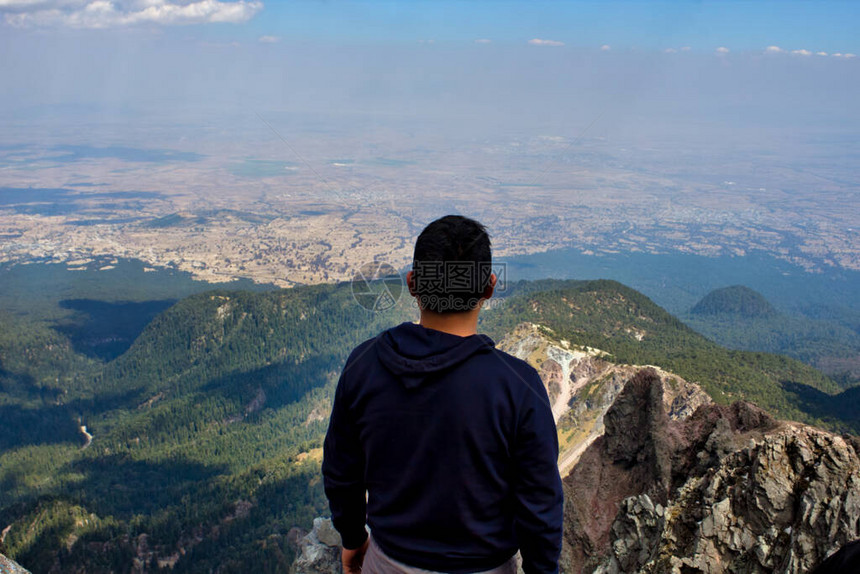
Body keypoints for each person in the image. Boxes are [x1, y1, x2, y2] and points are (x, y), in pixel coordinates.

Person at [322, 215, 564, 574]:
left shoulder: (365, 364)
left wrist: (354, 539)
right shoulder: (518, 386)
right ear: (489, 287)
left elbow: (342, 471)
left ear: (412, 284)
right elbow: (540, 505)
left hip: (386, 562)